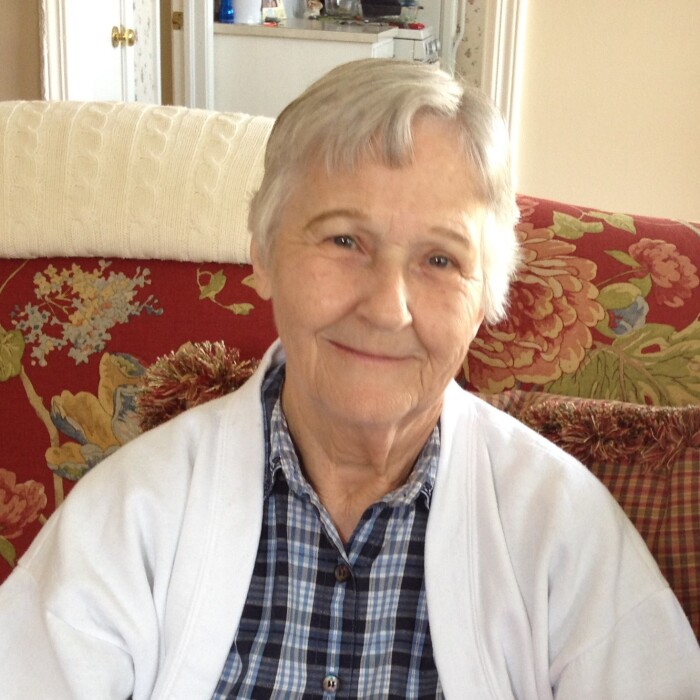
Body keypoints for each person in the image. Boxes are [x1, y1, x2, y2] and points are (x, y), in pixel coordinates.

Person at [0, 59, 698, 699]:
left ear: (488, 295)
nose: (388, 309)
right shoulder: (132, 514)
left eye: (441, 260)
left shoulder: (565, 529)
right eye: (344, 240)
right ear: (263, 252)